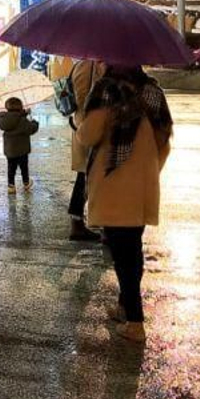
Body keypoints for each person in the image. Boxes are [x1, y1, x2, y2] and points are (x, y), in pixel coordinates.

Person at [77, 65, 173, 343]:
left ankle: (135, 321)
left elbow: (88, 135)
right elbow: (164, 141)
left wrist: (79, 120)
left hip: (113, 185)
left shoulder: (107, 92)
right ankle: (124, 307)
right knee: (132, 249)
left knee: (123, 255)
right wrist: (149, 170)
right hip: (143, 186)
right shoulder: (153, 93)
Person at [57, 57, 107, 241]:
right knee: (99, 176)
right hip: (94, 126)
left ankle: (77, 222)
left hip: (78, 124)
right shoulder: (100, 67)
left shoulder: (78, 65)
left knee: (84, 175)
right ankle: (103, 226)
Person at [0, 96, 39, 193]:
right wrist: (35, 123)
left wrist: (24, 114)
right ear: (20, 107)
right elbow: (31, 129)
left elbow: (14, 118)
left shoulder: (3, 118)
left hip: (10, 150)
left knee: (11, 168)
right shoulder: (22, 120)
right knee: (24, 167)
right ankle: (26, 182)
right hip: (22, 150)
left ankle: (11, 186)